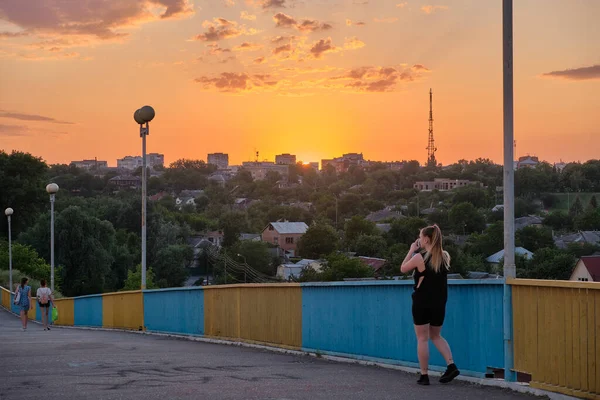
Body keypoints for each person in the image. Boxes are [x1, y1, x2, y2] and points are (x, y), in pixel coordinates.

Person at [400, 225, 460, 385]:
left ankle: (424, 375)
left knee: (422, 338)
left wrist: (411, 250)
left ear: (426, 239)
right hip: (440, 303)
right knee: (436, 335)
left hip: (422, 302)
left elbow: (403, 268)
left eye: (420, 237)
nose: (419, 239)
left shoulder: (420, 257)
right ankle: (451, 365)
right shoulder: (444, 256)